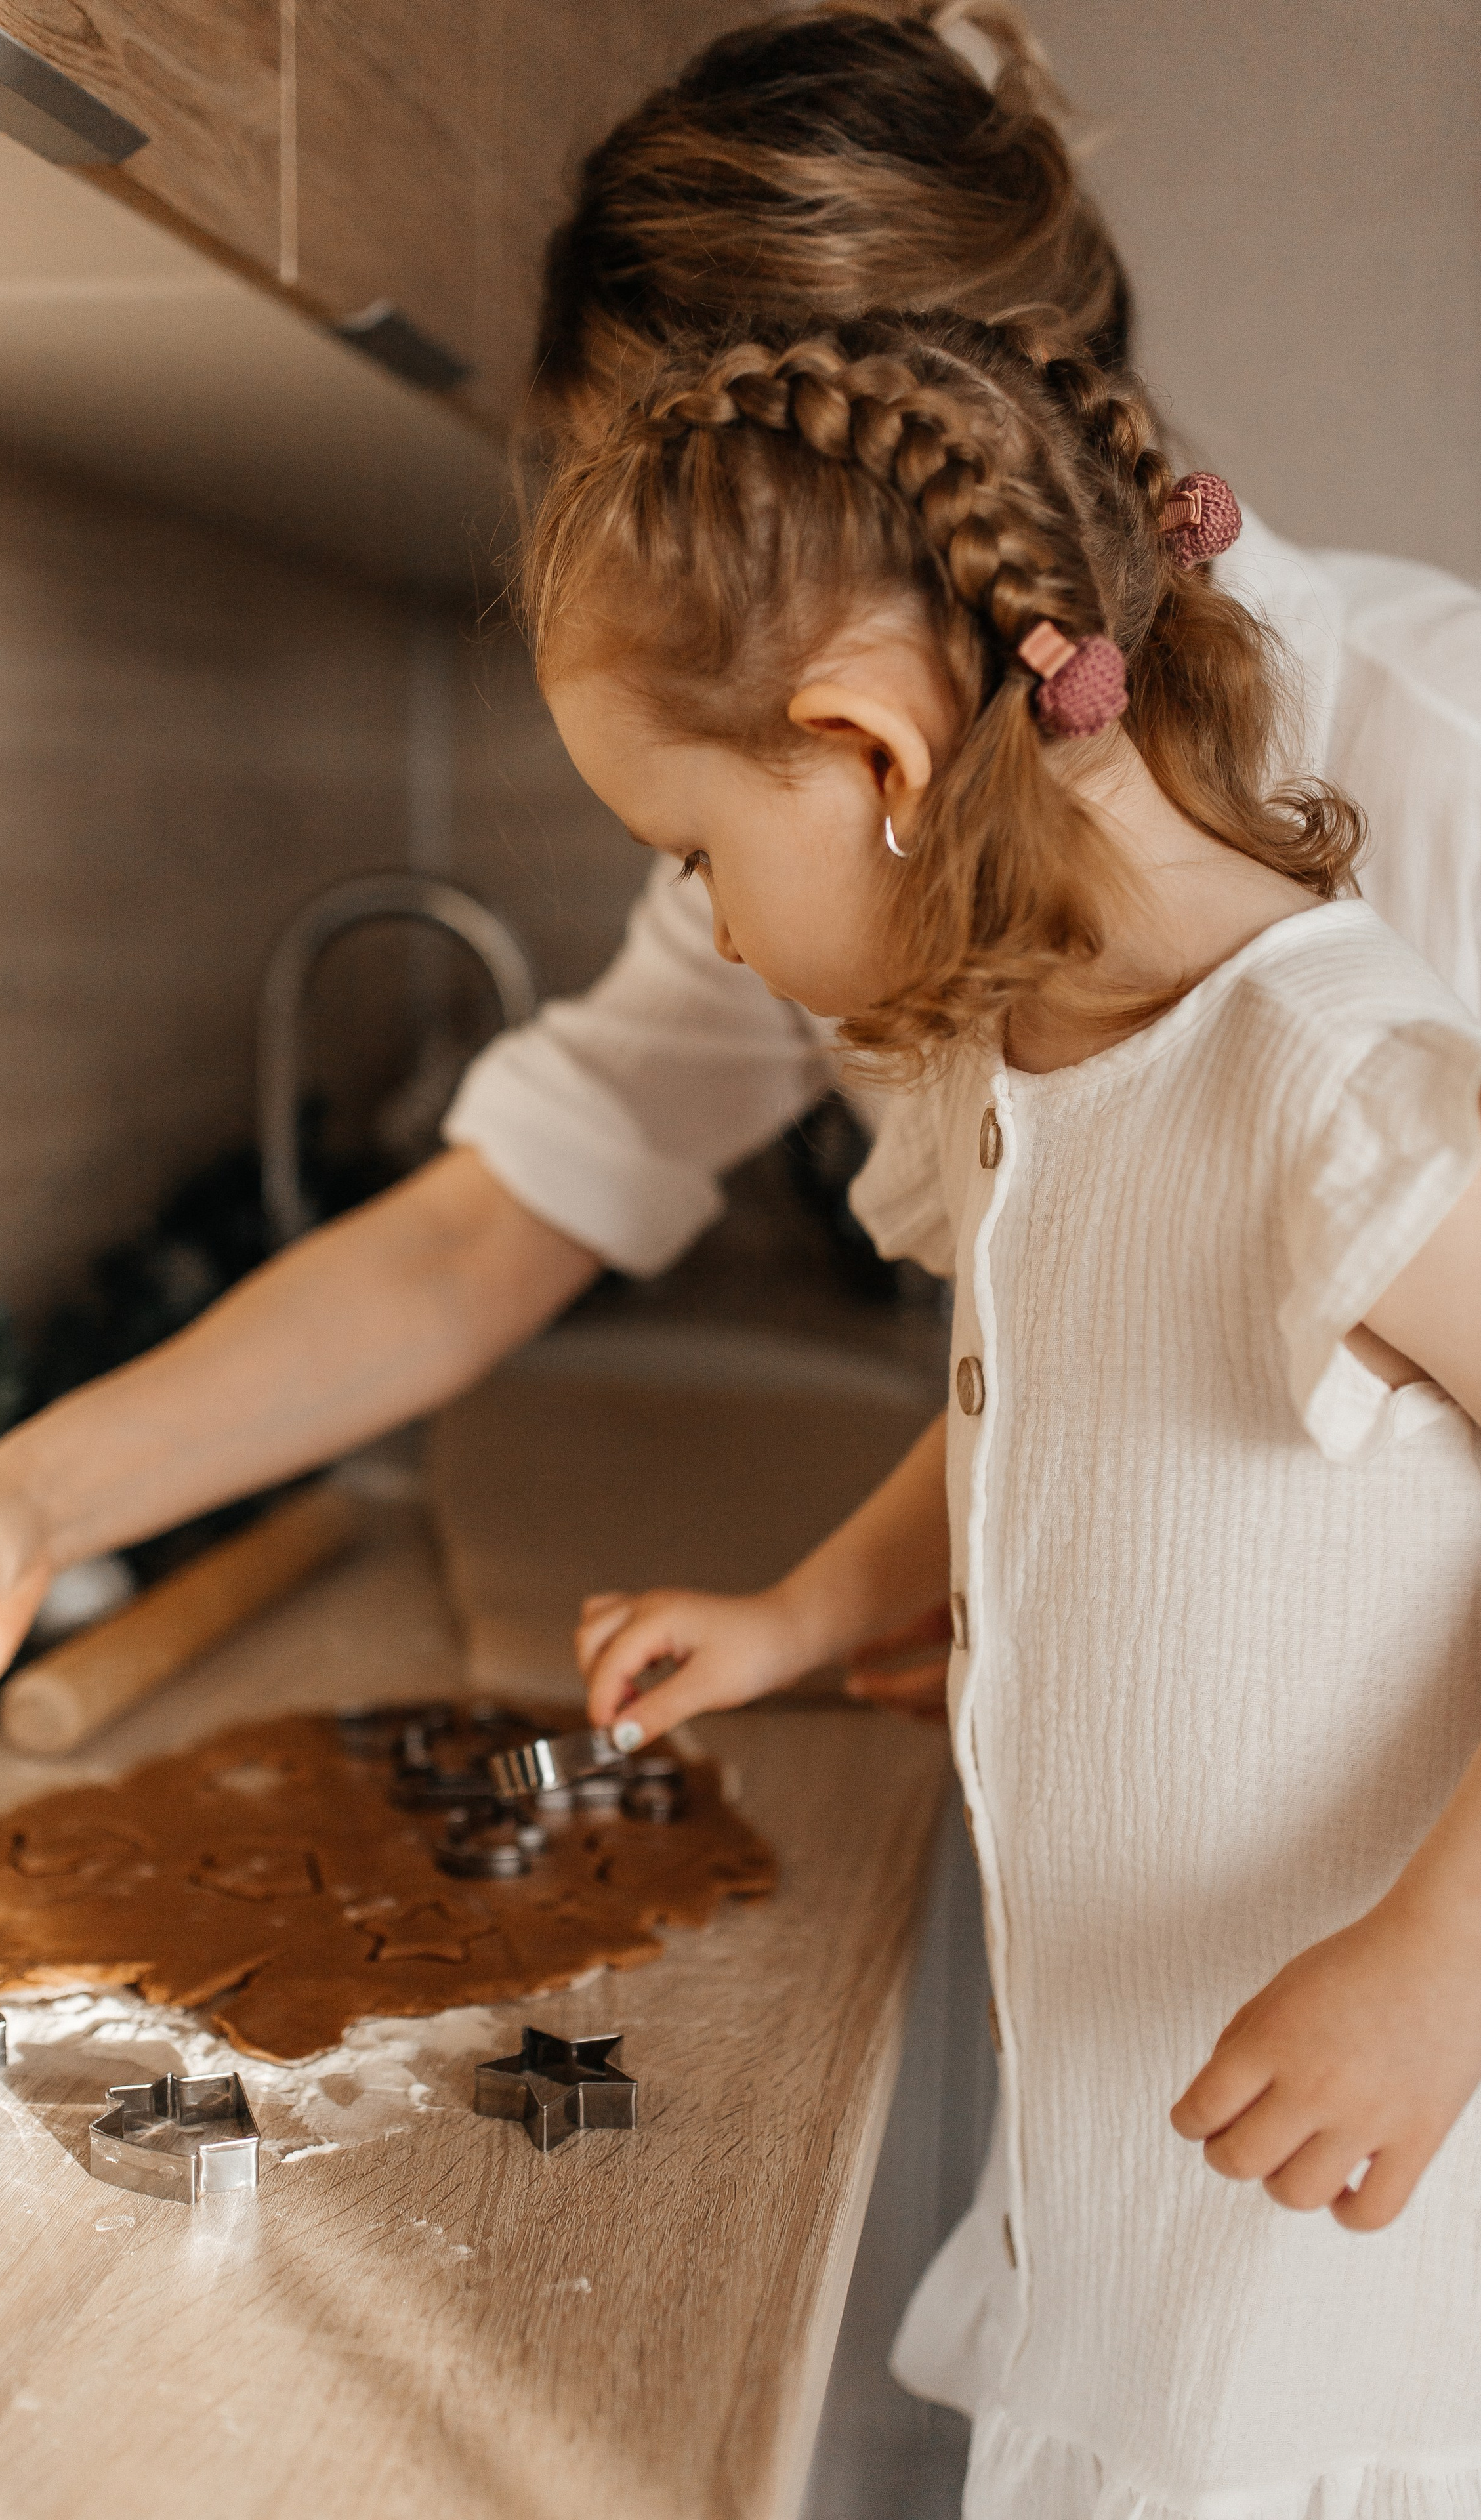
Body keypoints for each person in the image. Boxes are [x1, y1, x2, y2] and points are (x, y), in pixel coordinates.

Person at [0, 2, 1476, 1834]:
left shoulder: (1432, 773)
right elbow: (486, 1240)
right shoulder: (851, 847)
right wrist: (3, 1515)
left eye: (697, 521)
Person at [528, 311, 1481, 2514]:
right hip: (1132, 2219)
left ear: (868, 749)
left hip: (1344, 2310)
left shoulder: (1324, 1083)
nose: (720, 933)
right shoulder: (1028, 1071)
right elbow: (1041, 1400)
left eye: (691, 852)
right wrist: (798, 1610)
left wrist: (1440, 1966)